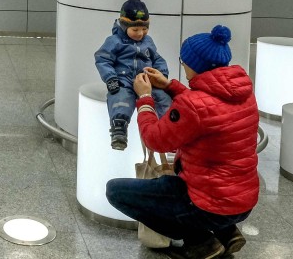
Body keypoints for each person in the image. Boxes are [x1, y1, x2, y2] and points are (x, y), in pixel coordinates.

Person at [105, 25, 259, 259]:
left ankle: (200, 242)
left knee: (115, 191)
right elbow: (207, 105)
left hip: (207, 204)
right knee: (190, 180)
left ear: (194, 64)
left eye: (184, 61)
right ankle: (227, 232)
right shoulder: (244, 94)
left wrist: (144, 98)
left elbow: (155, 139)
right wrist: (169, 85)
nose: (183, 66)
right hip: (243, 201)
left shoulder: (192, 106)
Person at [94, 0, 172, 149]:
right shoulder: (114, 41)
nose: (140, 33)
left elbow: (157, 58)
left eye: (144, 29)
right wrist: (111, 78)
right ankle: (119, 130)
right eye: (135, 29)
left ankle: (169, 130)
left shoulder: (148, 42)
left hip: (147, 81)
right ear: (124, 26)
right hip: (124, 80)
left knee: (163, 98)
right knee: (121, 98)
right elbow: (103, 59)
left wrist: (161, 74)